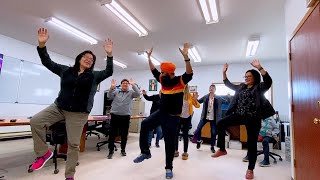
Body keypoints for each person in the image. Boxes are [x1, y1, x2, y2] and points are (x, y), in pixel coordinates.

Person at [28, 28, 113, 180]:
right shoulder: (66, 70)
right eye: (86, 57)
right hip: (59, 107)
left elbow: (109, 71)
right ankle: (43, 153)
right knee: (35, 121)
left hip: (79, 113)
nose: (89, 59)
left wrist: (109, 55)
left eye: (91, 59)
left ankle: (69, 175)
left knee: (73, 145)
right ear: (79, 58)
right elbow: (47, 62)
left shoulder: (94, 76)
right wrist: (42, 45)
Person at [133, 43, 193, 179]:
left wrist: (186, 58)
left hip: (173, 117)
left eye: (163, 71)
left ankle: (168, 168)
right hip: (161, 113)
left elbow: (189, 73)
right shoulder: (162, 79)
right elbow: (153, 70)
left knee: (169, 144)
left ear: (170, 72)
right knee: (145, 124)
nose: (161, 73)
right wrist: (149, 58)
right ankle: (145, 152)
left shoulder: (180, 81)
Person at [212, 60, 275, 179]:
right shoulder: (241, 87)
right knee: (220, 123)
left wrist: (259, 67)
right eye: (245, 76)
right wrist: (224, 73)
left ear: (255, 77)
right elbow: (228, 84)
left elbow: (268, 81)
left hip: (253, 118)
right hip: (239, 115)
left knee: (251, 144)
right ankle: (222, 149)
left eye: (249, 76)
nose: (246, 78)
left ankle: (250, 169)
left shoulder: (259, 87)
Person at [107, 78, 140, 159]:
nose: (125, 84)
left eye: (126, 83)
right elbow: (109, 96)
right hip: (115, 115)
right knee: (112, 134)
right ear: (121, 84)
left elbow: (138, 94)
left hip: (125, 116)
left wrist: (133, 85)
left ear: (128, 85)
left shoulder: (131, 93)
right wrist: (111, 87)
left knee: (124, 134)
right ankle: (111, 150)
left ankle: (123, 149)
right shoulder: (116, 91)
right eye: (123, 83)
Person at [193, 84, 226, 153]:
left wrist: (228, 96)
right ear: (209, 89)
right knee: (198, 128)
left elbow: (226, 101)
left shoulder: (218, 98)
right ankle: (199, 140)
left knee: (213, 133)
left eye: (213, 88)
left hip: (214, 118)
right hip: (205, 117)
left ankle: (212, 146)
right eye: (210, 88)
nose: (211, 89)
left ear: (215, 90)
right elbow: (199, 101)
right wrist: (195, 99)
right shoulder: (205, 97)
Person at [174, 84, 200, 160]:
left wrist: (195, 99)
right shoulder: (178, 95)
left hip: (187, 118)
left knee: (185, 135)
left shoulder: (190, 96)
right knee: (176, 134)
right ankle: (175, 150)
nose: (184, 87)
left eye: (185, 86)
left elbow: (198, 106)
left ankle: (185, 152)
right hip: (179, 117)